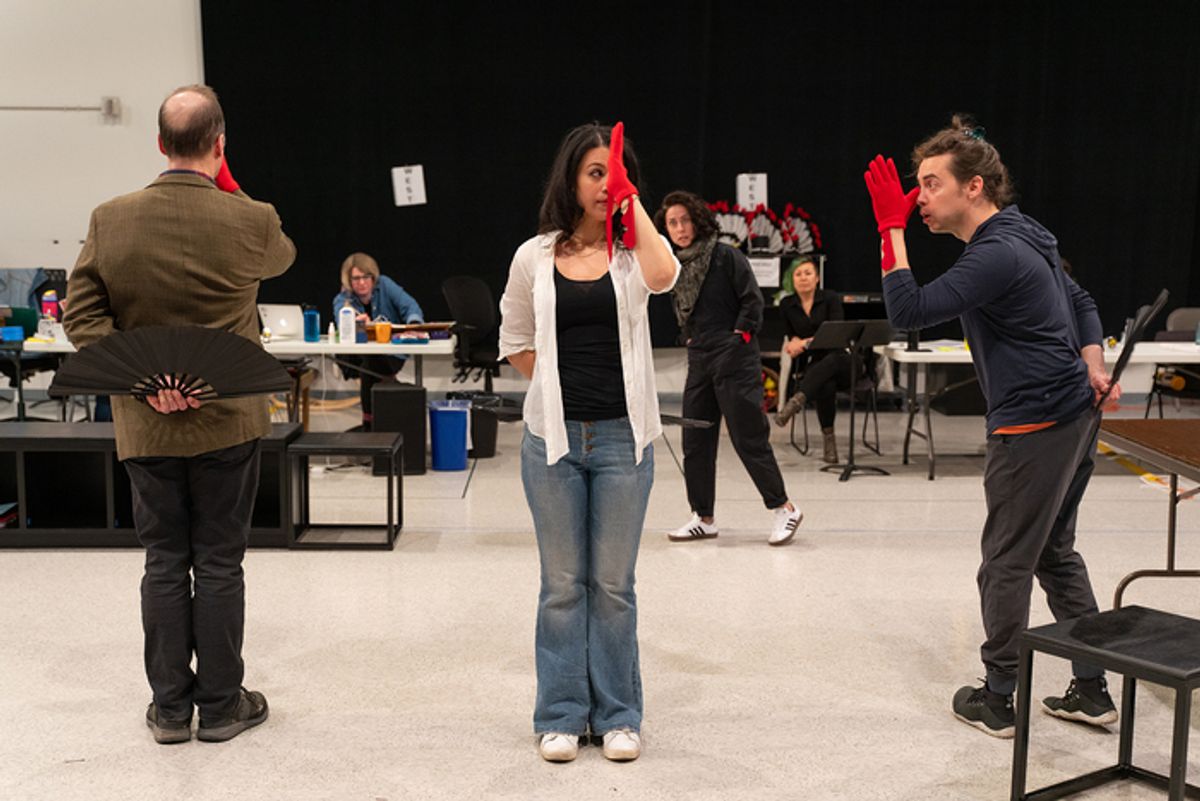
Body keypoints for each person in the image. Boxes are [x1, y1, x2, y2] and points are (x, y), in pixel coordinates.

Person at [862, 115, 1121, 739]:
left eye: (929, 184)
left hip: (1035, 425)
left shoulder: (996, 253)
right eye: (914, 186)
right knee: (1053, 553)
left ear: (973, 188)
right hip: (1071, 416)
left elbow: (908, 310)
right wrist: (1093, 363)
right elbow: (1082, 302)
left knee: (1004, 562)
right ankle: (1090, 690)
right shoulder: (1025, 232)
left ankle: (999, 696)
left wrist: (889, 229)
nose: (917, 196)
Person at [64, 84, 295, 745]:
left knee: (164, 557)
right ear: (220, 145)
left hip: (147, 424)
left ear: (159, 144)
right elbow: (283, 257)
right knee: (220, 558)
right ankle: (222, 705)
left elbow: (82, 317)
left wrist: (143, 381)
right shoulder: (253, 220)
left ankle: (170, 707)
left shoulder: (111, 218)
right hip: (229, 419)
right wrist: (233, 186)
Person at [498, 122, 679, 763]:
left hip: (624, 442)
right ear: (571, 180)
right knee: (562, 584)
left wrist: (635, 212)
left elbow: (665, 277)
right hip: (553, 442)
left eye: (617, 172)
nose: (606, 184)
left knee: (613, 585)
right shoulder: (534, 256)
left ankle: (620, 715)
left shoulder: (633, 255)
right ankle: (562, 715)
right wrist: (554, 387)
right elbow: (514, 340)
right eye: (596, 172)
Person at [654, 190, 803, 545]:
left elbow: (753, 301)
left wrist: (738, 337)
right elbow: (684, 311)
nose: (679, 228)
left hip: (734, 355)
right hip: (700, 356)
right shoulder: (676, 265)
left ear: (697, 220)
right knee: (695, 438)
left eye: (684, 220)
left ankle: (785, 508)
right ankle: (703, 517)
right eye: (672, 223)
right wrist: (689, 339)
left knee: (748, 436)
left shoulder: (724, 255)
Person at [774, 256, 856, 464]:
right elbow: (791, 336)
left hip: (845, 360)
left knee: (832, 360)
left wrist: (803, 344)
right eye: (798, 274)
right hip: (818, 365)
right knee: (825, 384)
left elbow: (835, 335)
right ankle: (830, 442)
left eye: (808, 273)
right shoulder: (787, 304)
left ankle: (796, 401)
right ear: (792, 280)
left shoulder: (830, 298)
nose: (803, 278)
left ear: (817, 278)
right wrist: (794, 343)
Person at [331, 252, 423, 429]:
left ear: (374, 278)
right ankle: (372, 421)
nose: (362, 283)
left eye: (366, 277)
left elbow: (411, 306)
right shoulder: (343, 299)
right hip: (356, 357)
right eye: (356, 278)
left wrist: (413, 324)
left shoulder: (386, 285)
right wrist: (356, 323)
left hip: (391, 354)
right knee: (367, 361)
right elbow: (341, 321)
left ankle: (369, 423)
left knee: (370, 362)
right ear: (349, 281)